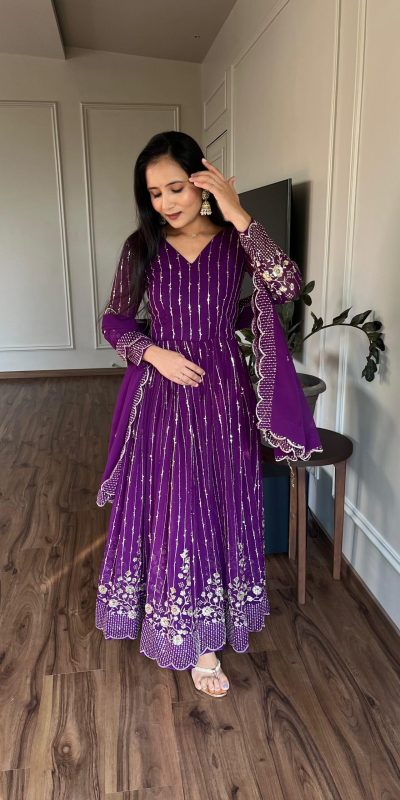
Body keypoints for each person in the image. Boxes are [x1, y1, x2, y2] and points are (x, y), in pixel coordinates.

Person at [95, 131, 322, 698]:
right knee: (177, 503)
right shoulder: (142, 247)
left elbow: (287, 286)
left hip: (222, 391)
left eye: (175, 187)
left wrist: (238, 212)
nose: (166, 203)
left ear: (202, 181)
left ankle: (207, 631)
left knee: (219, 500)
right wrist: (155, 353)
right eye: (154, 193)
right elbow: (114, 320)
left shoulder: (235, 242)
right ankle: (191, 636)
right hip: (163, 392)